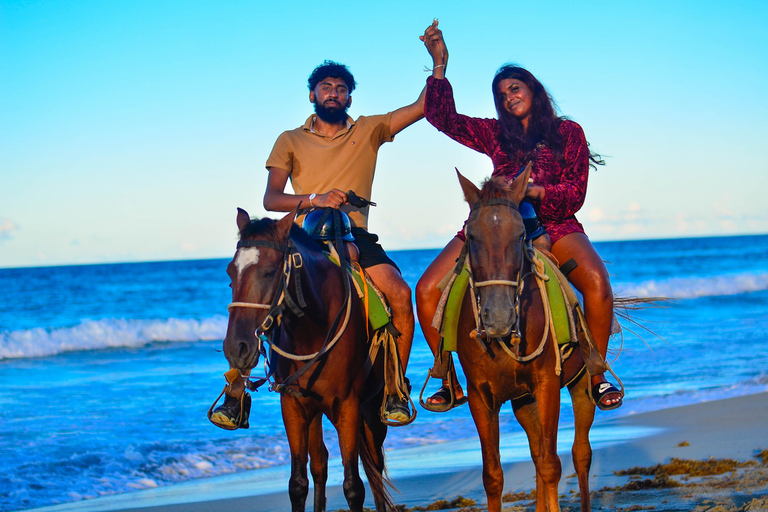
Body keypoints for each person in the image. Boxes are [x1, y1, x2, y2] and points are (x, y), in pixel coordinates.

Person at [416, 21, 622, 411]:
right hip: (497, 225)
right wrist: (439, 63)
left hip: (555, 223)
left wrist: (536, 192)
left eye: (515, 89)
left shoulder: (567, 133)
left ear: (533, 91)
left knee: (596, 280)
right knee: (426, 289)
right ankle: (448, 378)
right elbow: (442, 118)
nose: (509, 97)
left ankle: (597, 373)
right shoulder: (496, 135)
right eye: (501, 94)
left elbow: (575, 194)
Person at [260, 59, 425, 423]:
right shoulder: (289, 139)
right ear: (312, 95)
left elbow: (423, 106)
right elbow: (271, 199)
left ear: (349, 98)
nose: (333, 93)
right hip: (304, 238)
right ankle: (237, 387)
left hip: (354, 234)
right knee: (255, 293)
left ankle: (395, 387)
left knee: (399, 293)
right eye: (326, 87)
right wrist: (314, 199)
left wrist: (438, 61)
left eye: (341, 89)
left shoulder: (368, 129)